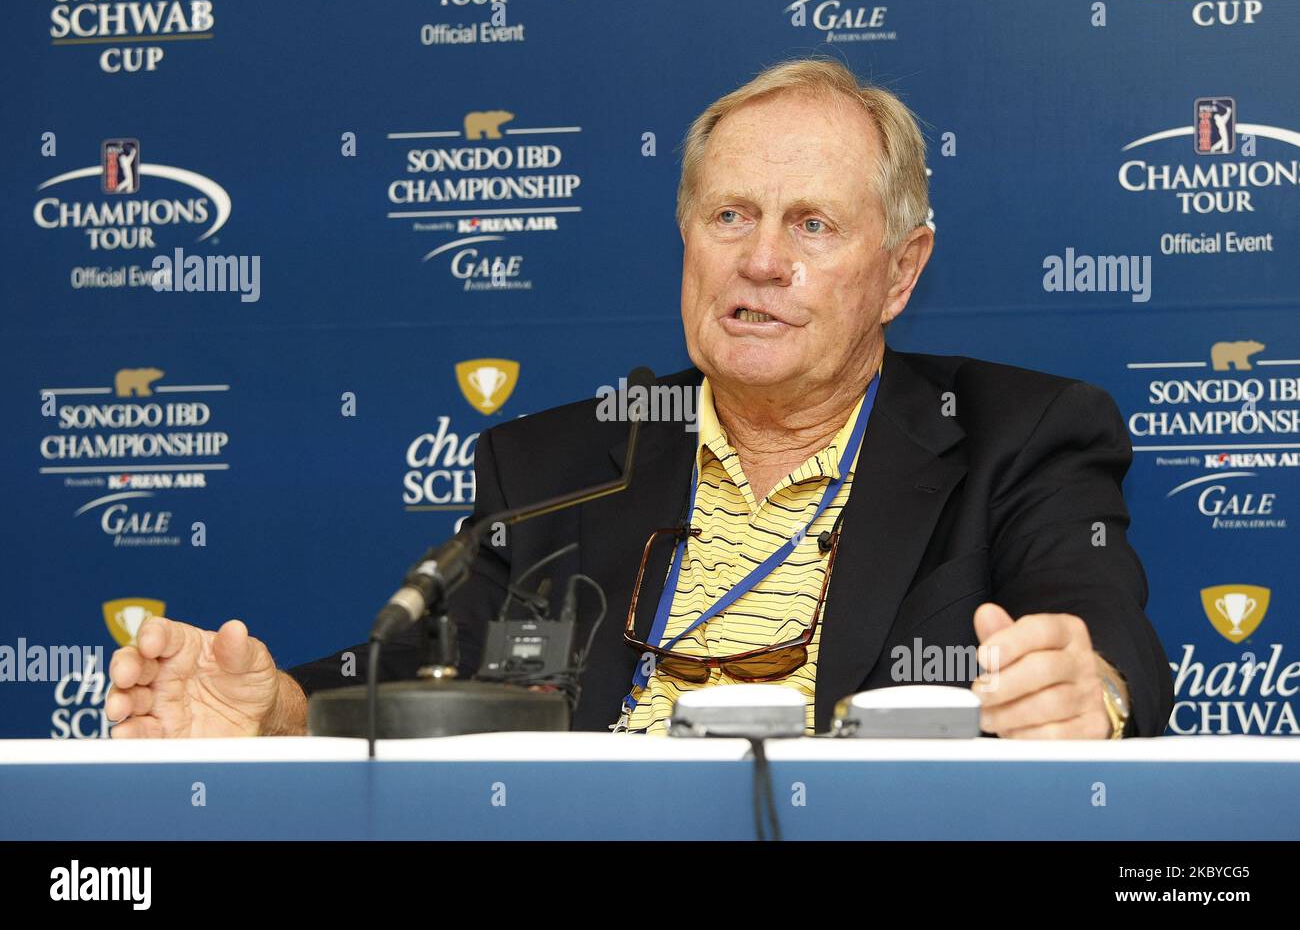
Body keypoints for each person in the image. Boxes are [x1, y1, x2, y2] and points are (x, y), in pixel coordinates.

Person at [106, 57, 1174, 740]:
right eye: (728, 216)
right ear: (685, 239)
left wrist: (1091, 691)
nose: (760, 261)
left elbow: (1100, 623)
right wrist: (273, 708)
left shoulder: (1018, 435)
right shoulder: (554, 465)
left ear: (899, 272)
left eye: (810, 226)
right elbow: (419, 679)